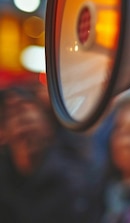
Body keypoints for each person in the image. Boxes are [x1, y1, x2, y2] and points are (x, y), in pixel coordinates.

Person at [0, 86, 101, 222]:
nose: (20, 114)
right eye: (9, 114)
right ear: (2, 135)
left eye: (26, 106)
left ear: (48, 127)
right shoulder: (5, 186)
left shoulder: (76, 179)